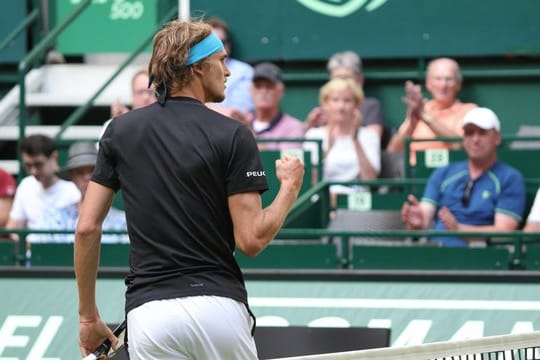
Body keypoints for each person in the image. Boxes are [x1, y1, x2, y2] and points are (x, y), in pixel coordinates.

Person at [75, 20, 304, 359]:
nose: (228, 72)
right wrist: (289, 187)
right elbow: (251, 240)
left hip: (150, 317)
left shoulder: (119, 132)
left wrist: (88, 317)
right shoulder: (234, 133)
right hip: (219, 311)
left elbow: (86, 228)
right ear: (198, 67)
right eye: (221, 61)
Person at [401, 108, 525, 247]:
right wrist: (418, 220)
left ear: (497, 138)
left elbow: (504, 232)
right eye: (469, 133)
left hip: (480, 255)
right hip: (435, 250)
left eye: (482, 133)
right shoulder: (444, 172)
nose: (475, 139)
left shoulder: (510, 178)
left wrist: (460, 230)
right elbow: (425, 214)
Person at [386, 57, 478, 165]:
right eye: (437, 79)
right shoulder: (420, 109)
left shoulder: (469, 110)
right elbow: (393, 150)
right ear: (428, 83)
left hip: (451, 172)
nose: (443, 85)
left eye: (449, 79)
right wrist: (412, 124)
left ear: (458, 84)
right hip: (413, 173)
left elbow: (459, 145)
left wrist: (425, 117)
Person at [304, 77, 380, 205]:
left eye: (347, 101)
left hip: (356, 202)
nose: (341, 107)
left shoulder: (369, 136)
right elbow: (310, 179)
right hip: (322, 200)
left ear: (356, 105)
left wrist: (356, 140)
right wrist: (326, 149)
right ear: (326, 104)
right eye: (335, 100)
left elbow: (370, 179)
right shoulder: (313, 134)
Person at [34, 142, 128, 243]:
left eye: (93, 171)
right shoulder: (52, 219)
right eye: (79, 172)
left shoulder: (122, 222)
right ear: (71, 177)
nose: (87, 177)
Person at [5, 135, 81, 242]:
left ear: (54, 157)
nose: (33, 171)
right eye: (28, 165)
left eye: (38, 164)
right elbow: (13, 227)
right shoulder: (26, 185)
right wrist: (27, 245)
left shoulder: (72, 189)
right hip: (32, 255)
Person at [304, 51, 385, 141]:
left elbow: (374, 140)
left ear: (360, 81)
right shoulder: (325, 108)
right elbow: (302, 144)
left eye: (346, 78)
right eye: (337, 79)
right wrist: (310, 125)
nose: (340, 107)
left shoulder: (370, 106)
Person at [204, 16, 254, 120]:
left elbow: (237, 114)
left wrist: (203, 106)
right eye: (212, 42)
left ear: (229, 45)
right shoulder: (192, 69)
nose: (218, 47)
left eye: (222, 42)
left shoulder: (243, 71)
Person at [248, 62, 305, 150]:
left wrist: (248, 130)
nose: (263, 91)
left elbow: (283, 160)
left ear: (281, 91)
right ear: (251, 90)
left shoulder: (293, 127)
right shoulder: (240, 121)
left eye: (269, 86)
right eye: (258, 86)